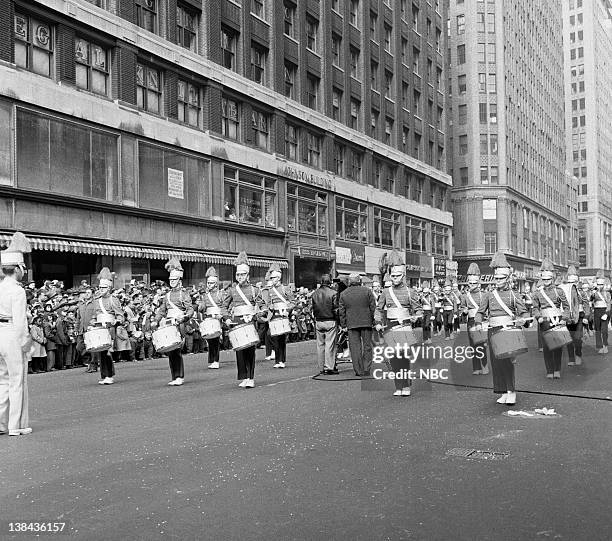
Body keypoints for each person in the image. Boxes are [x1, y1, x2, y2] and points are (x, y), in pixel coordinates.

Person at [474, 252, 529, 406]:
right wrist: (478, 322)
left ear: (508, 278)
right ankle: (503, 391)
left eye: (501, 278)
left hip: (508, 331)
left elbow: (523, 311)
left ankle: (512, 391)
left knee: (507, 363)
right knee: (496, 363)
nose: (498, 281)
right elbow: (480, 312)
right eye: (496, 278)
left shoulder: (514, 295)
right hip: (493, 330)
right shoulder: (488, 295)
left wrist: (523, 318)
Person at [374, 250, 422, 396]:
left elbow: (418, 309)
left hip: (405, 326)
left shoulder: (410, 292)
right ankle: (398, 386)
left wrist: (416, 316)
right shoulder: (385, 292)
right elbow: (378, 309)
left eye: (397, 276)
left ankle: (406, 386)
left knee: (403, 358)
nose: (395, 279)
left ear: (403, 275)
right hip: (390, 326)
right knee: (394, 358)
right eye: (392, 276)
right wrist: (377, 322)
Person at [0, 232, 32, 436]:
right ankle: (15, 426)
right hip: (12, 333)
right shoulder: (18, 291)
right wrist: (26, 345)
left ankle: (1, 423)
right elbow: (20, 323)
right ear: (18, 269)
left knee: (1, 381)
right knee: (16, 381)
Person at [222, 252, 263, 388]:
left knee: (250, 351)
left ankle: (251, 377)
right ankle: (244, 376)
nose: (240, 277)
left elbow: (263, 306)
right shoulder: (232, 290)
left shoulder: (254, 290)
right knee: (240, 351)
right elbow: (224, 306)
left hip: (249, 321)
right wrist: (227, 319)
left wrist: (255, 315)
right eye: (238, 275)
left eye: (242, 274)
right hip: (237, 321)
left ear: (247, 276)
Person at [155, 258, 194, 386]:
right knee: (170, 350)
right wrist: (156, 320)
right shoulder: (167, 296)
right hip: (169, 323)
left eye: (174, 280)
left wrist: (185, 317)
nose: (171, 282)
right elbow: (162, 310)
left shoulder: (184, 294)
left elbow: (190, 310)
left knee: (176, 350)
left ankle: (180, 376)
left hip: (180, 323)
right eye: (170, 280)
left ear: (179, 280)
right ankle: (174, 375)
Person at [532, 258, 570, 379]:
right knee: (547, 346)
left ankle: (557, 369)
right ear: (541, 279)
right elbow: (535, 308)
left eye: (548, 279)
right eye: (544, 279)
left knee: (558, 346)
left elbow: (567, 307)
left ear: (552, 278)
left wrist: (564, 318)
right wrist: (538, 317)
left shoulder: (559, 291)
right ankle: (549, 370)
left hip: (557, 320)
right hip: (545, 321)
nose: (546, 281)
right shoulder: (538, 293)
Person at [339, 273, 376, 377]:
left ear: (349, 281)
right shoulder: (367, 291)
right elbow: (373, 307)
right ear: (359, 280)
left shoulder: (344, 294)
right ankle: (366, 368)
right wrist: (375, 321)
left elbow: (341, 311)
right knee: (367, 346)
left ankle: (358, 370)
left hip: (351, 323)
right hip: (366, 322)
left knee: (355, 348)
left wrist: (343, 325)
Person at [262, 262, 294, 369]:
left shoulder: (285, 289)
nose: (272, 279)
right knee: (274, 337)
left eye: (274, 277)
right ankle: (277, 360)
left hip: (283, 315)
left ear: (279, 278)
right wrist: (269, 306)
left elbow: (293, 302)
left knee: (282, 339)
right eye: (271, 278)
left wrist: (288, 310)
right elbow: (266, 302)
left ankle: (282, 360)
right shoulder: (269, 290)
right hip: (274, 316)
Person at [461, 263, 489, 375]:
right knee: (473, 345)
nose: (472, 285)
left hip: (481, 321)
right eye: (470, 283)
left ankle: (484, 366)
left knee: (481, 345)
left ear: (479, 283)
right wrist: (464, 311)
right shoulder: (465, 296)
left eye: (474, 283)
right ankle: (476, 368)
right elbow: (462, 309)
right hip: (471, 321)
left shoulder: (484, 295)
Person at [311, 274, 339, 375]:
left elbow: (313, 309)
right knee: (330, 345)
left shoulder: (315, 293)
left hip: (319, 321)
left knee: (320, 345)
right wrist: (339, 322)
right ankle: (329, 367)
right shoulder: (333, 293)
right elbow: (336, 310)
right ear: (330, 281)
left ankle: (321, 367)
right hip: (330, 320)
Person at [198, 266, 224, 369]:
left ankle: (216, 360)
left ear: (216, 284)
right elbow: (201, 308)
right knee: (210, 340)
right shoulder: (205, 295)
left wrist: (221, 315)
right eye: (208, 283)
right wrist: (201, 301)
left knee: (216, 340)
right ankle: (211, 360)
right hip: (208, 317)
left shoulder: (220, 294)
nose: (209, 285)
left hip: (217, 318)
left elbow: (224, 306)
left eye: (211, 283)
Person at [591, 270, 611, 354]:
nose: (600, 286)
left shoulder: (606, 293)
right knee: (597, 330)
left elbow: (609, 304)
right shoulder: (594, 292)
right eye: (598, 284)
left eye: (601, 284)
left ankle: (605, 345)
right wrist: (592, 293)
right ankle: (599, 346)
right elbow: (590, 301)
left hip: (604, 311)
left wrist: (606, 314)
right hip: (596, 311)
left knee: (604, 330)